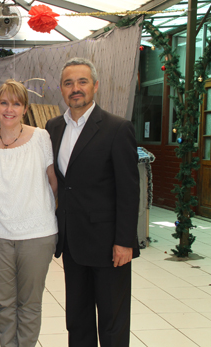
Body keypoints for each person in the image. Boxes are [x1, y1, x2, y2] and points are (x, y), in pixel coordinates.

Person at [45, 57, 140, 347]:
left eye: (82, 81)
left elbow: (129, 190)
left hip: (109, 245)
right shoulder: (52, 128)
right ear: (61, 89)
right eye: (68, 83)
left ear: (95, 86)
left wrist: (124, 241)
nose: (76, 88)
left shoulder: (117, 128)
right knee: (77, 318)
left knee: (112, 321)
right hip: (72, 243)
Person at [0, 80, 58, 347]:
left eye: (16, 103)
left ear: (25, 108)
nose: (9, 109)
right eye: (4, 102)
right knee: (4, 304)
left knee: (30, 304)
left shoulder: (41, 138)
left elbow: (54, 183)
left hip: (38, 234)